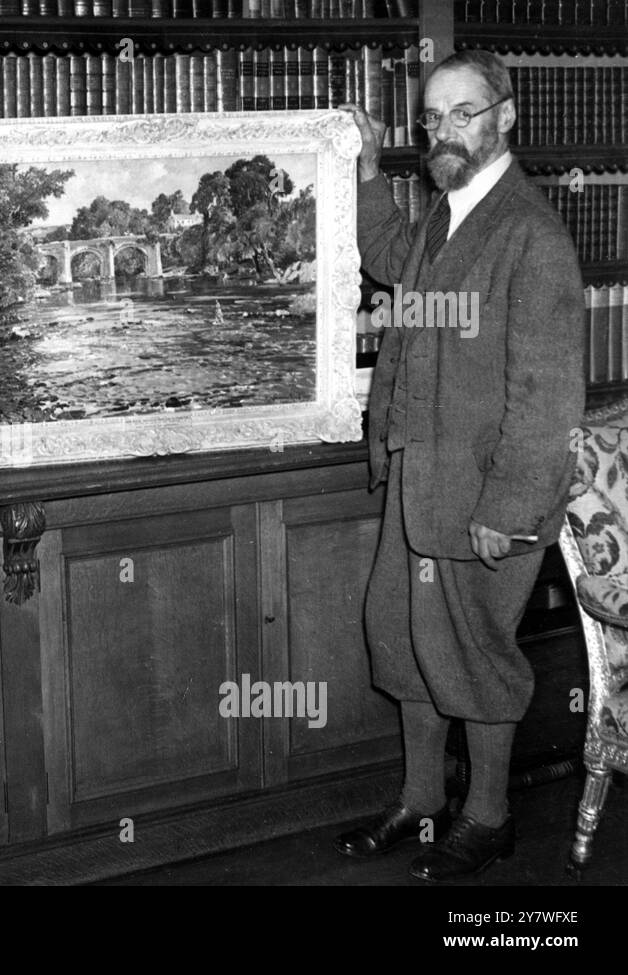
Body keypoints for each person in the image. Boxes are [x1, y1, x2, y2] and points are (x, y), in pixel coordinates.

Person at [334, 50, 585, 882]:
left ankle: (489, 817)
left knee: (475, 652)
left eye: (463, 113)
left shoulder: (531, 234)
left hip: (483, 497)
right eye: (432, 118)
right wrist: (370, 169)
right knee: (406, 640)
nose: (443, 131)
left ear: (506, 116)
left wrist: (506, 510)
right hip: (419, 478)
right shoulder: (450, 211)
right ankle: (422, 799)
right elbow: (390, 255)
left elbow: (546, 399)